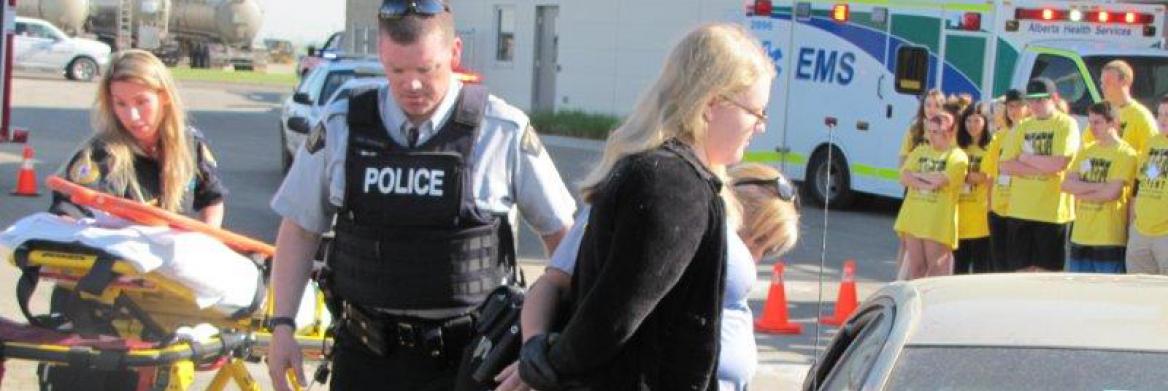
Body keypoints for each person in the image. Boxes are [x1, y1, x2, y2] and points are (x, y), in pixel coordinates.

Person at [263, 1, 576, 390]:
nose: (411, 85)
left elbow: (566, 241)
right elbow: (299, 229)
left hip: (470, 361)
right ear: (380, 54)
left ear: (454, 53)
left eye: (426, 70)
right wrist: (282, 326)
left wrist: (548, 341)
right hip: (366, 359)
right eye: (396, 70)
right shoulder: (343, 125)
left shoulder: (501, 130)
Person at [516, 23, 776, 390]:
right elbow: (614, 316)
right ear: (714, 104)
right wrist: (550, 365)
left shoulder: (662, 172)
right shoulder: (672, 184)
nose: (760, 127)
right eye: (757, 113)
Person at [495, 163, 799, 391]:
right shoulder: (650, 197)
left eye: (767, 249)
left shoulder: (728, 269)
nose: (755, 256)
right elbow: (554, 283)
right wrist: (534, 348)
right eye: (755, 238)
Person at [43, 49, 228, 390]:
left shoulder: (190, 145)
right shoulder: (101, 154)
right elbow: (66, 214)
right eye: (120, 104)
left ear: (164, 97)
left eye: (142, 102)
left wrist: (205, 244)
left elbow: (212, 200)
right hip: (100, 300)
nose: (131, 115)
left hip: (165, 295)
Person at [999, 77, 1081, 272]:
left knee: (1048, 273)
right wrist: (1043, 166)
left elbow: (1060, 163)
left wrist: (1026, 158)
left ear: (1054, 98)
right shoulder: (1023, 126)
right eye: (1031, 100)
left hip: (1052, 213)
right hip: (1020, 210)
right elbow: (1005, 165)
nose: (1034, 105)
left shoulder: (1066, 124)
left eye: (1040, 100)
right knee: (1020, 270)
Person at [1061, 102, 1138, 273]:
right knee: (1079, 292)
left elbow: (1111, 193)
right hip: (1080, 235)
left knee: (1107, 291)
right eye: (1090, 122)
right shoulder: (1086, 151)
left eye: (1097, 122)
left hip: (1108, 237)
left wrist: (1081, 191)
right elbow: (1066, 185)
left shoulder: (1125, 153)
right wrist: (1099, 186)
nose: (1092, 127)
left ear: (1113, 123)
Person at [894, 112, 969, 278]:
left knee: (935, 270)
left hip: (936, 222)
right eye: (930, 131)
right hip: (913, 218)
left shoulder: (957, 156)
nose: (931, 136)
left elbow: (939, 181)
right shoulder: (920, 151)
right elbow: (904, 176)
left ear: (949, 133)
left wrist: (918, 177)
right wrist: (925, 182)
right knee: (916, 269)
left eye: (936, 132)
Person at [982, 89, 1029, 272]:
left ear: (1027, 107)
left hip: (1021, 208)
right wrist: (989, 207)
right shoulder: (1000, 136)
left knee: (1017, 264)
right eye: (1010, 106)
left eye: (1018, 106)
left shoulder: (1031, 134)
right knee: (998, 264)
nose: (1014, 110)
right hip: (998, 208)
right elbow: (990, 174)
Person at [1127, 96, 1168, 274]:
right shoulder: (1152, 143)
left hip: (1165, 234)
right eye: (1160, 114)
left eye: (1167, 115)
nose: (1162, 120)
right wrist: (1132, 223)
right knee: (1138, 290)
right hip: (1141, 231)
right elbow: (1140, 183)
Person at [1082, 60, 1158, 153]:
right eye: (1101, 82)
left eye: (1107, 82)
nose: (1102, 87)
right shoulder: (1100, 111)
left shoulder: (1141, 116)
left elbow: (1151, 154)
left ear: (1125, 82)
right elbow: (1086, 147)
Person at [955, 102, 992, 274]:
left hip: (981, 219)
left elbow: (986, 177)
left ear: (985, 122)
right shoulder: (958, 147)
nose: (972, 125)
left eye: (977, 120)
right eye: (968, 120)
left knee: (980, 269)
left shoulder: (990, 148)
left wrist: (962, 176)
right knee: (959, 268)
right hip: (959, 218)